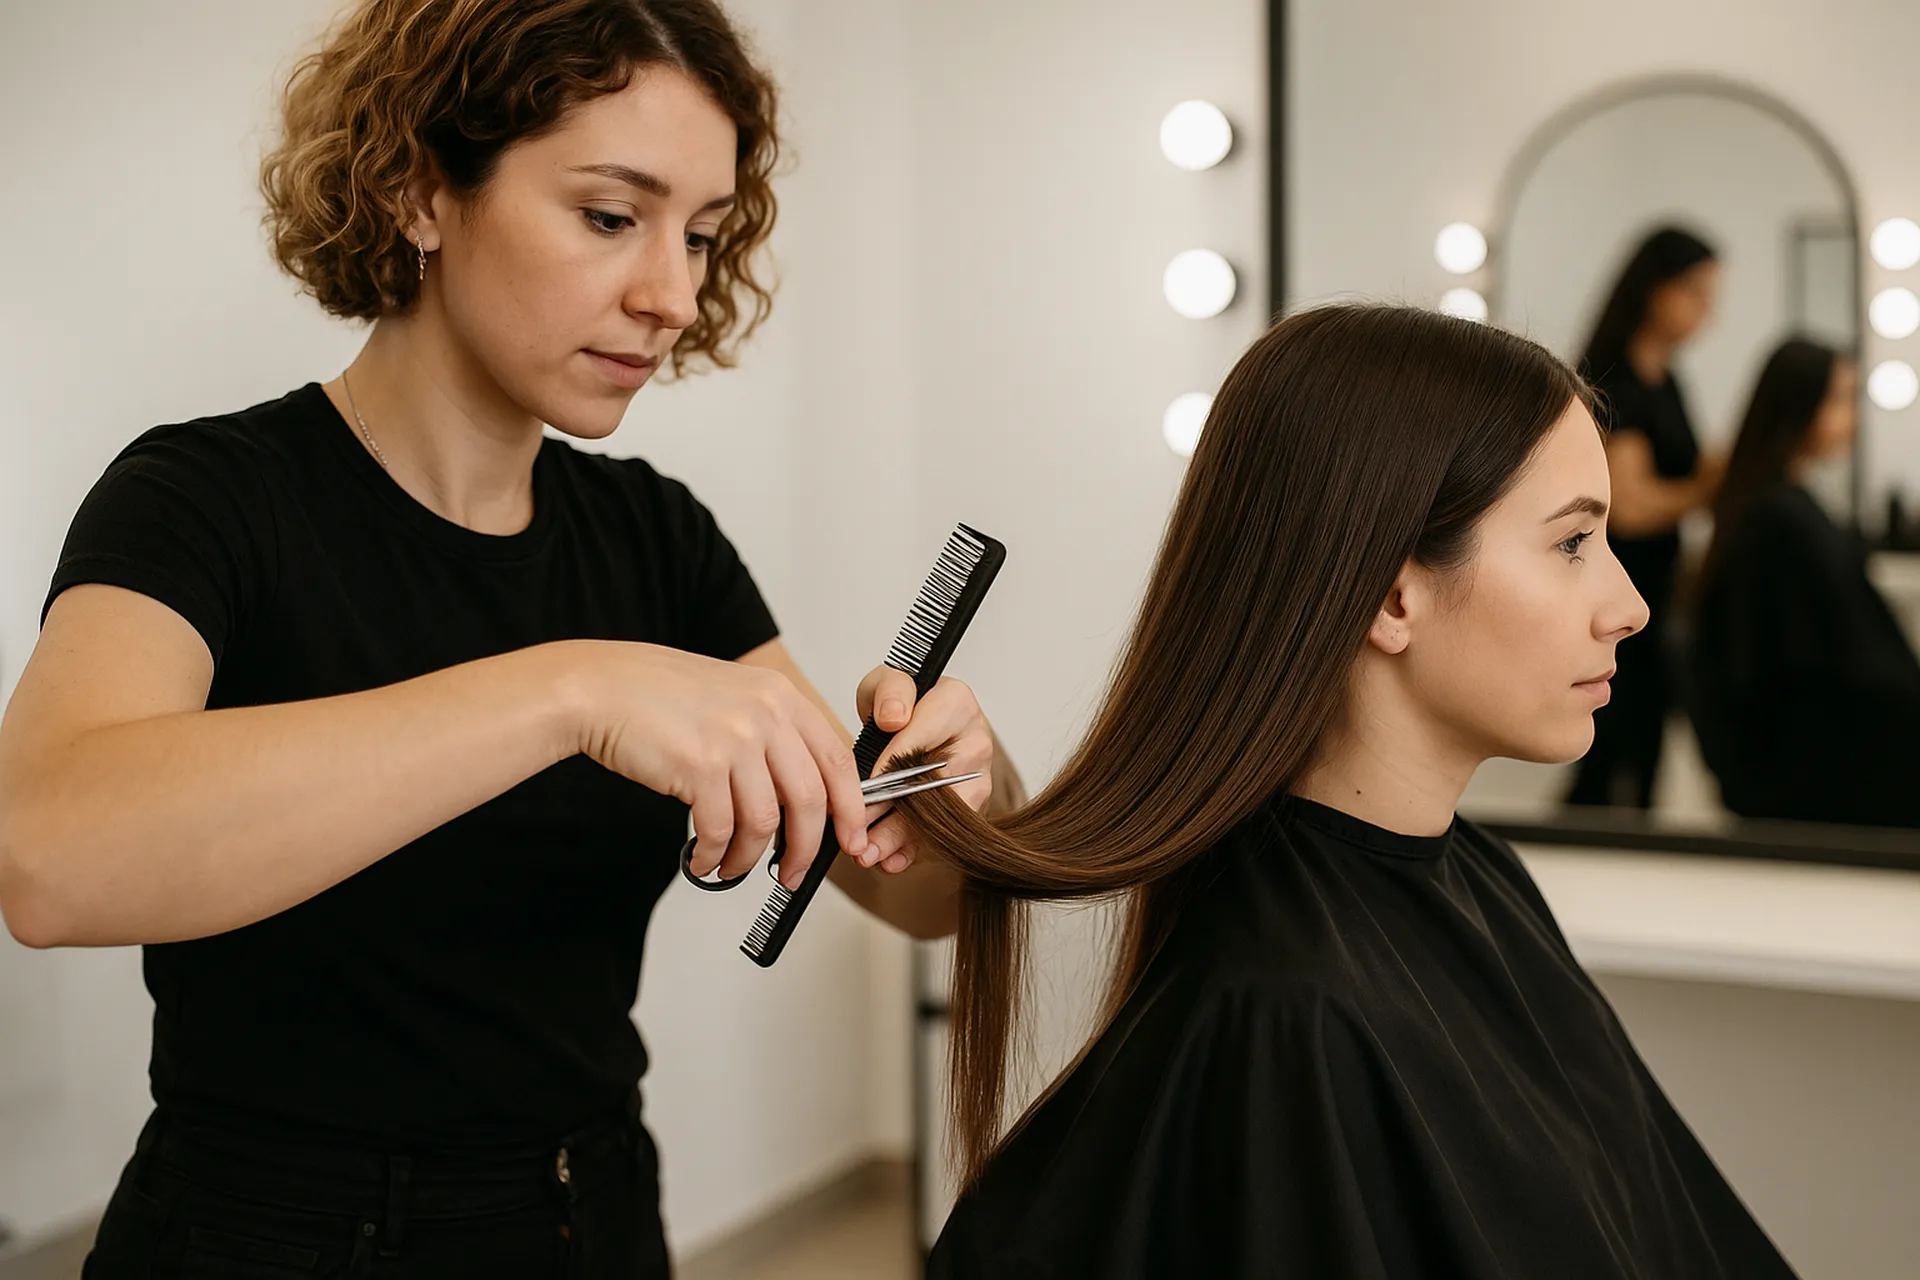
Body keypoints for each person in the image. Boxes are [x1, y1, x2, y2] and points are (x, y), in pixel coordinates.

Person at [0, 2, 1018, 1275]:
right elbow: (48, 856)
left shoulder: (656, 540)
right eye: (610, 217)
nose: (671, 295)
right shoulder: (207, 498)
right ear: (422, 190)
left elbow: (905, 888)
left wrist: (963, 790)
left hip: (589, 1219)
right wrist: (570, 690)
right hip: (264, 1234)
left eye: (701, 236)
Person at [891, 305, 1797, 1278]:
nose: (1629, 605)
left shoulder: (1482, 882)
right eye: (1573, 543)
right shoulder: (1288, 1009)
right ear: (1392, 595)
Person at [1690, 339, 1920, 827]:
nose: (1851, 417)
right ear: (1799, 405)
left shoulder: (1778, 509)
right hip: (1813, 767)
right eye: (1840, 399)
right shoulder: (1780, 521)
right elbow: (1818, 663)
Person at [1564, 226, 1726, 809]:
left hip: (1655, 582)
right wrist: (1709, 488)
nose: (1709, 311)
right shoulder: (1613, 375)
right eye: (1698, 292)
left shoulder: (1668, 379)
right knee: (1611, 745)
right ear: (1656, 290)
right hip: (1616, 580)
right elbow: (1629, 507)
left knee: (1645, 740)